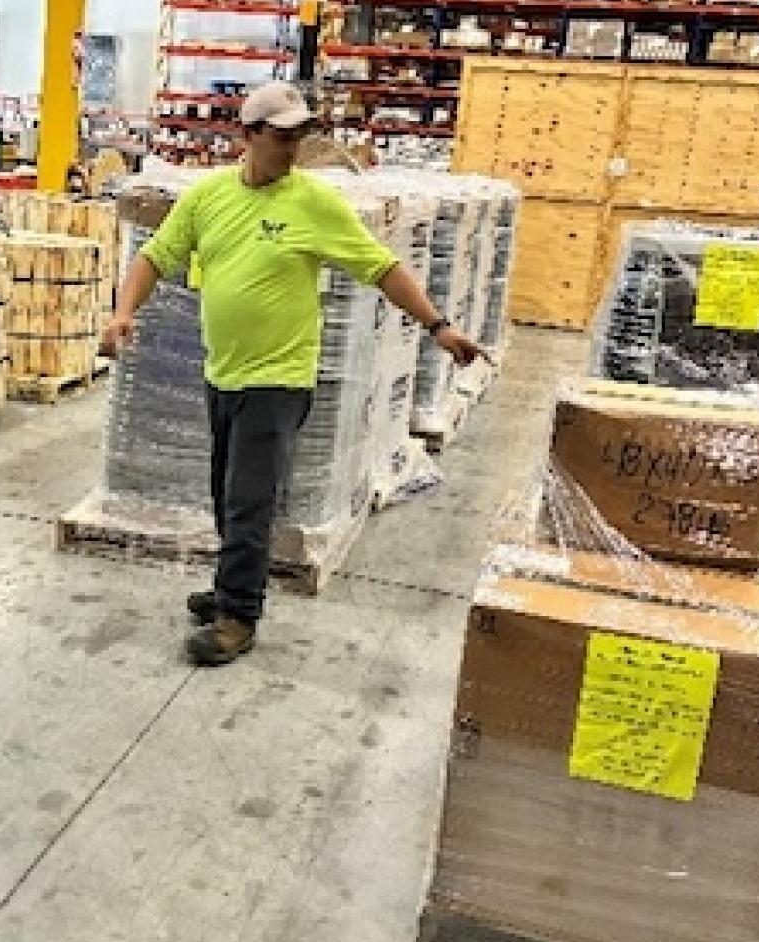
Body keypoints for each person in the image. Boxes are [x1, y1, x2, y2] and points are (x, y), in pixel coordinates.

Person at [102, 81, 488, 668]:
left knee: (250, 498)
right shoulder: (207, 198)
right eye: (283, 138)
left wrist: (439, 327)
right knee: (224, 492)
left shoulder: (313, 202)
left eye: (300, 137)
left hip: (279, 379)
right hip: (223, 373)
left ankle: (238, 613)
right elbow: (155, 257)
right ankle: (232, 582)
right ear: (248, 135)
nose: (293, 149)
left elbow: (382, 267)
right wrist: (124, 313)